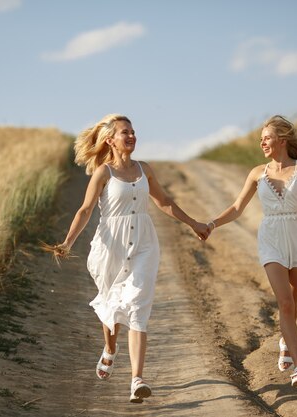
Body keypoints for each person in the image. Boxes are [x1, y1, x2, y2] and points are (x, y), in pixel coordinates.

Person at [50, 114, 210, 403]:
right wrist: (67, 242)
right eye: (126, 132)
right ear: (111, 140)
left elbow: (163, 202)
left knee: (137, 305)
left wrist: (194, 223)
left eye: (134, 131)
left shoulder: (144, 168)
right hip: (111, 246)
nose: (132, 136)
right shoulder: (103, 173)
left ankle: (137, 379)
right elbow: (86, 210)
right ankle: (110, 349)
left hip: (145, 245)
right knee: (112, 302)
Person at [206, 115, 297, 389]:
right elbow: (238, 207)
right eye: (260, 138)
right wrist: (212, 224)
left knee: (294, 301)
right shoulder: (256, 173)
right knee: (285, 302)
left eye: (267, 137)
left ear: (282, 140)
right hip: (271, 237)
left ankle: (286, 339)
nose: (262, 142)